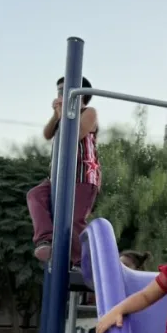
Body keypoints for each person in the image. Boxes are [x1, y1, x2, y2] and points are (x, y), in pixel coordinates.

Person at [27, 76, 101, 268]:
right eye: (59, 91)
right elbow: (47, 134)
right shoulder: (62, 116)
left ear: (80, 94)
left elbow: (75, 134)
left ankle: (82, 262)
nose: (60, 94)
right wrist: (56, 115)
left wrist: (62, 116)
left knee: (74, 219)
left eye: (64, 90)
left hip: (82, 176)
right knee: (36, 195)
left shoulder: (88, 112)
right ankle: (46, 239)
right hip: (59, 177)